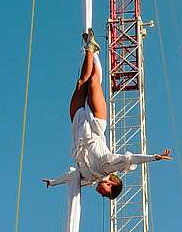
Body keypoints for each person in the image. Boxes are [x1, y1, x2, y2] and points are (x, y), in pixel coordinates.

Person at [43, 29, 171, 199]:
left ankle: (91, 49)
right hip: (96, 122)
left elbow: (70, 178)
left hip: (78, 124)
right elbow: (130, 159)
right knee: (94, 82)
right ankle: (91, 49)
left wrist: (53, 182)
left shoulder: (88, 178)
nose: (102, 195)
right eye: (107, 194)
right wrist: (154, 157)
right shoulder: (107, 166)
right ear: (111, 184)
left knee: (82, 83)